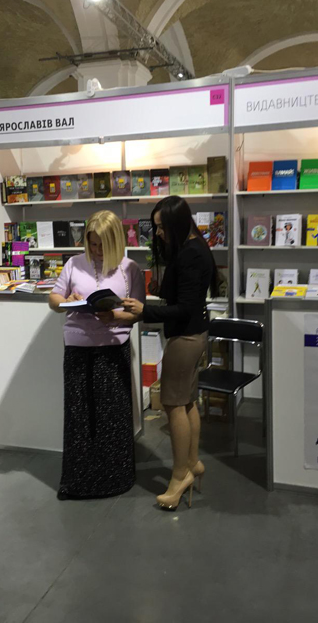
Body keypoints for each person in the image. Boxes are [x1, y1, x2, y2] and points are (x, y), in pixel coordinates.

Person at [113, 196, 217, 511]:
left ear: (177, 224)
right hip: (193, 334)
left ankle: (180, 476)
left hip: (185, 338)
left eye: (161, 227)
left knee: (172, 405)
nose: (157, 233)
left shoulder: (190, 254)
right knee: (187, 402)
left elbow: (184, 308)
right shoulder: (195, 246)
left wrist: (144, 311)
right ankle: (193, 463)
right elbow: (187, 300)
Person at [49, 210, 145, 500]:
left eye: (102, 244)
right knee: (79, 414)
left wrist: (114, 315)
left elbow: (138, 312)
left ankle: (115, 477)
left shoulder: (130, 268)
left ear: (115, 241)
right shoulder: (74, 263)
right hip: (77, 346)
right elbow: (53, 299)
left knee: (113, 416)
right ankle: (78, 480)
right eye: (92, 244)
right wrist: (67, 301)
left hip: (113, 346)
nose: (97, 250)